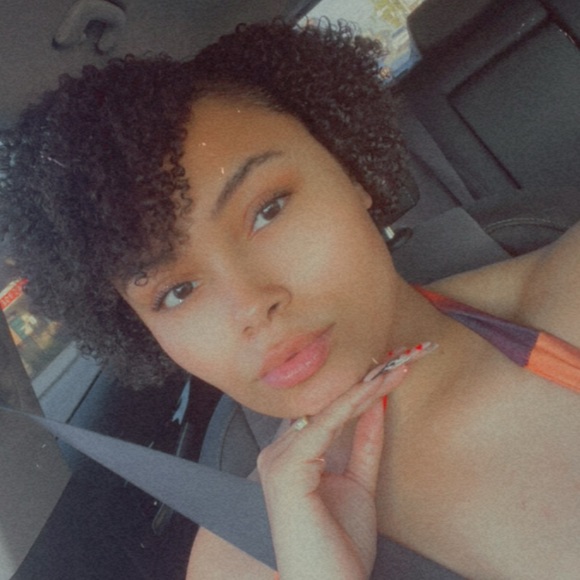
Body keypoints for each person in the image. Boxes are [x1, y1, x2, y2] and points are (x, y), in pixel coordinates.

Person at [2, 19, 580, 580]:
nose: (251, 305)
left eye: (268, 210)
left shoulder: (566, 296)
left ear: (351, 172)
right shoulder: (241, 560)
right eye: (177, 292)